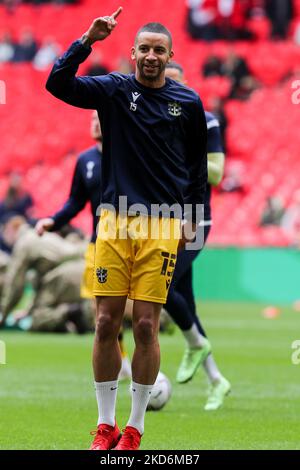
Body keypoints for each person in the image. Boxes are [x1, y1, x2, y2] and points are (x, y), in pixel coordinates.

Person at [46, 7, 207, 450]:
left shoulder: (188, 104)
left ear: (170, 55)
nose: (151, 56)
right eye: (144, 49)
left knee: (146, 327)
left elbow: (195, 169)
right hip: (114, 222)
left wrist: (193, 217)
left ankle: (134, 428)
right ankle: (105, 424)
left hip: (162, 224)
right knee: (103, 324)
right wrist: (87, 39)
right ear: (132, 54)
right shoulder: (114, 91)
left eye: (159, 50)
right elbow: (57, 84)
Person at [35, 111, 131, 379]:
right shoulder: (85, 160)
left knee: (133, 308)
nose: (96, 123)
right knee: (100, 310)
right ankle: (121, 360)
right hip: (98, 244)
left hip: (131, 241)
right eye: (92, 119)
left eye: (101, 118)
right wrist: (52, 221)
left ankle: (139, 359)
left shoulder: (128, 154)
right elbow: (75, 201)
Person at [165, 62, 230, 411]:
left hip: (193, 220)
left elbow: (217, 173)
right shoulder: (152, 118)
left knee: (161, 287)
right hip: (161, 221)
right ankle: (217, 379)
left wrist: (180, 160)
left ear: (185, 83)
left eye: (174, 82)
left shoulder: (204, 120)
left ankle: (194, 344)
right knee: (184, 303)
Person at [0, 216, 89, 332]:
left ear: (12, 229)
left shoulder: (23, 243)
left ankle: (69, 312)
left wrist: (3, 314)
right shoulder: (39, 235)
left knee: (37, 319)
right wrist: (28, 311)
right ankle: (72, 316)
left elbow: (15, 284)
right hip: (80, 267)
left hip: (65, 273)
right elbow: (39, 283)